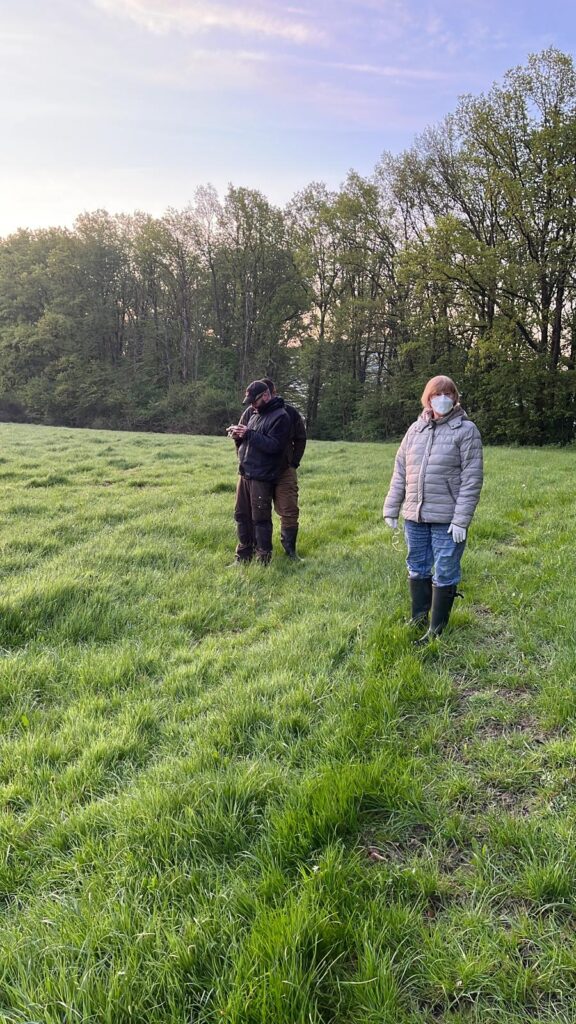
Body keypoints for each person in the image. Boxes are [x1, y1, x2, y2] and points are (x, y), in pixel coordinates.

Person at [382, 375, 483, 643]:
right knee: (417, 566)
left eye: (449, 394)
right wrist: (392, 508)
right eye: (437, 394)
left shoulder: (466, 431)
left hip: (447, 519)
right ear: (427, 398)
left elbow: (472, 479)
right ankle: (418, 618)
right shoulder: (415, 431)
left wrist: (461, 520)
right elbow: (400, 472)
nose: (443, 398)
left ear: (455, 398)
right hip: (415, 516)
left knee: (445, 569)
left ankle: (436, 630)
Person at [238, 377, 307, 559]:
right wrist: (244, 458)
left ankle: (290, 551)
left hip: (284, 470)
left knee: (289, 510)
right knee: (252, 512)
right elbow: (243, 436)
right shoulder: (250, 412)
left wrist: (293, 464)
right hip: (259, 470)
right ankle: (252, 551)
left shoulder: (288, 414)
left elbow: (300, 439)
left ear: (271, 394)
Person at [227, 380, 291, 564]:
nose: (252, 405)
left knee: (260, 519)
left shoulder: (281, 417)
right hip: (245, 473)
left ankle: (263, 559)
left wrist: (248, 434)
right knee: (241, 515)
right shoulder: (254, 414)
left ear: (266, 395)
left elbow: (275, 446)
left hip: (262, 476)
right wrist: (239, 436)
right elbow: (250, 441)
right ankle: (243, 557)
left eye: (254, 400)